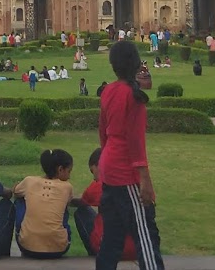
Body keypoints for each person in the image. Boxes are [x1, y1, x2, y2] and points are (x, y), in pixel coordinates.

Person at [96, 39, 164, 270]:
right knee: (145, 234)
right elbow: (135, 143)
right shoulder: (134, 98)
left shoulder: (109, 91)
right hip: (125, 172)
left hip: (109, 166)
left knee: (113, 237)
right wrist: (144, 180)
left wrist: (106, 161)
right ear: (135, 63)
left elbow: (103, 132)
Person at [13, 148, 82, 259]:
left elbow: (15, 191)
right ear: (60, 169)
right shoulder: (67, 187)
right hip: (58, 249)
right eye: (69, 171)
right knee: (62, 208)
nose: (69, 176)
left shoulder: (29, 181)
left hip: (26, 247)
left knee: (20, 200)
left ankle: (27, 234)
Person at [76, 148, 136, 258]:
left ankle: (94, 253)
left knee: (81, 212)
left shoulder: (98, 186)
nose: (93, 177)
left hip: (108, 249)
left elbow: (82, 201)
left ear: (100, 165)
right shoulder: (135, 184)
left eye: (92, 171)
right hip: (135, 249)